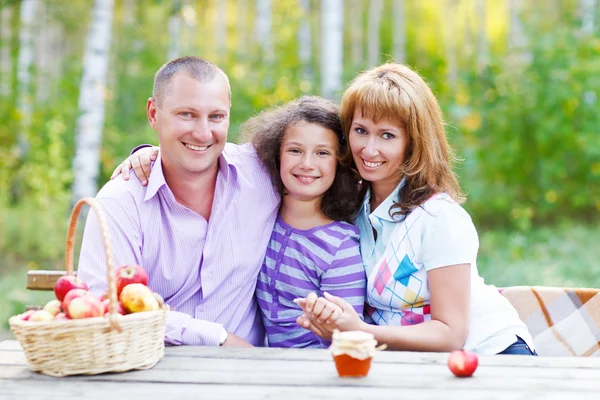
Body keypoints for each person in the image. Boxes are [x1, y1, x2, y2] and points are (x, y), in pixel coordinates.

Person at [295, 63, 536, 355]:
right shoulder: (353, 207)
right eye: (361, 130)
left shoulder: (439, 218)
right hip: (421, 365)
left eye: (387, 135)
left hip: (492, 354)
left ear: (413, 142)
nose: (369, 149)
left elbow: (450, 334)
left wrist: (360, 332)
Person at [78, 56, 280, 347]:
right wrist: (217, 337)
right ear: (153, 113)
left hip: (249, 378)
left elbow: (330, 155)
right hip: (153, 373)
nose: (202, 132)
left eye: (216, 117)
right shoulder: (121, 202)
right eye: (186, 114)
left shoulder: (262, 175)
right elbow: (105, 307)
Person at [241, 96, 366, 348]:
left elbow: (347, 339)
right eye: (295, 150)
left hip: (317, 373)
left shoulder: (340, 246)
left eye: (322, 153)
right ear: (276, 154)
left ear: (340, 161)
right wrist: (148, 153)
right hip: (260, 364)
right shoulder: (261, 216)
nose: (307, 164)